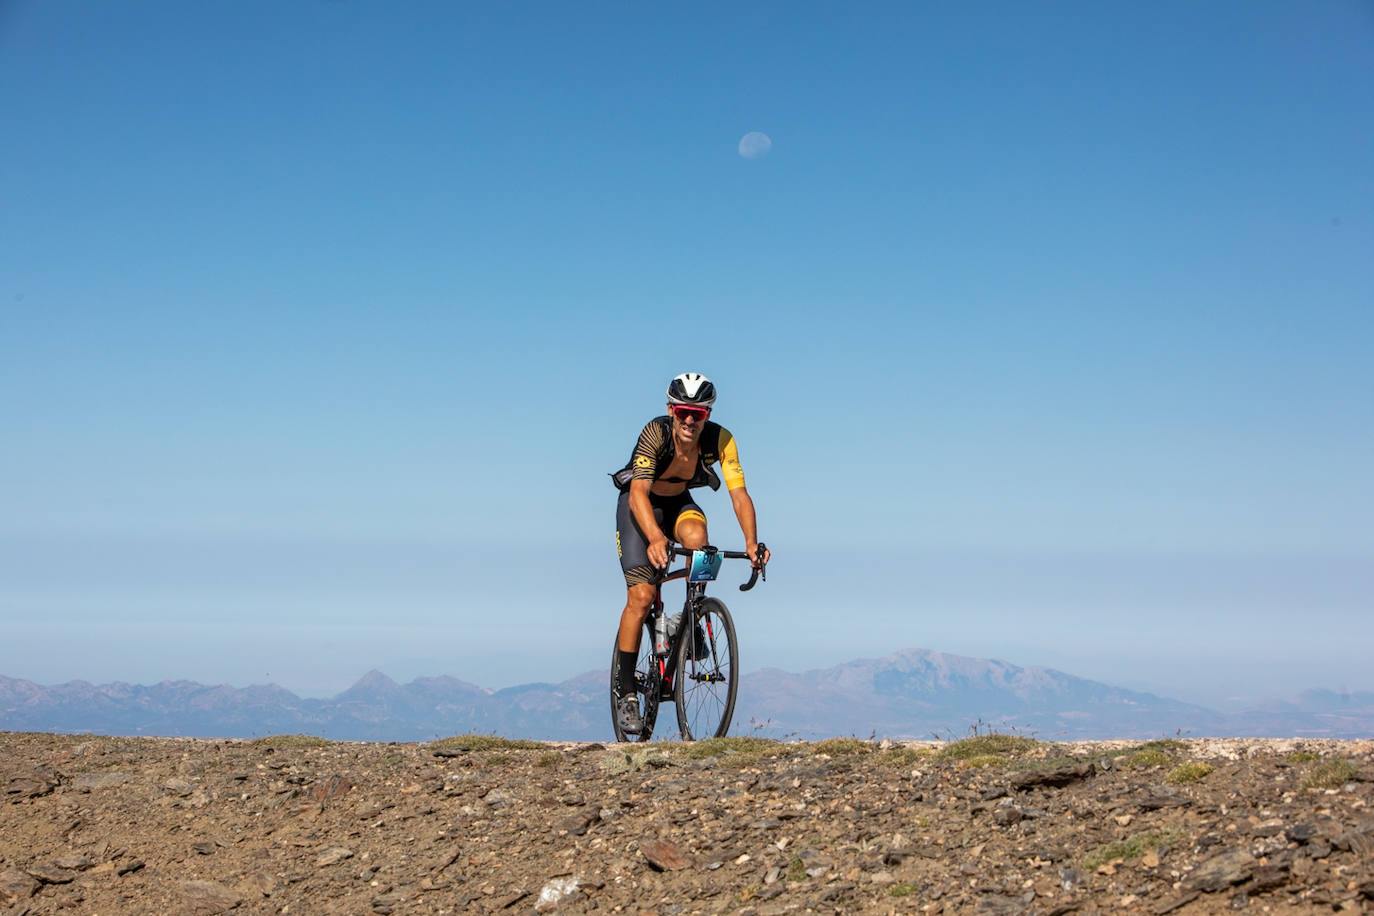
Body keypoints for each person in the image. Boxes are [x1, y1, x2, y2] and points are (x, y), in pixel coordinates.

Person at [609, 372, 770, 735]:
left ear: (708, 415)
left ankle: (691, 616)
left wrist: (751, 543)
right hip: (642, 506)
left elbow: (739, 494)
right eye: (683, 411)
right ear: (671, 409)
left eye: (698, 413)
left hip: (679, 501)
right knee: (642, 595)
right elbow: (637, 493)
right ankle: (626, 690)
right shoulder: (656, 433)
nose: (689, 420)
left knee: (699, 539)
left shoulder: (722, 440)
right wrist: (653, 537)